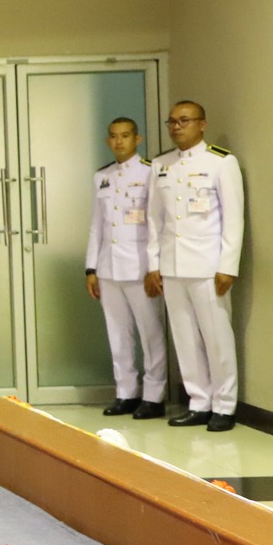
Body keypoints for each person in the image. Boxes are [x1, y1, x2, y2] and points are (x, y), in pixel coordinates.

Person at [145, 100, 244, 432]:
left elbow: (233, 218)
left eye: (184, 121)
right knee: (185, 339)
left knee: (217, 338)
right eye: (171, 122)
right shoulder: (161, 165)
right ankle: (199, 402)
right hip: (173, 266)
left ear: (202, 124)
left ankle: (225, 405)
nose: (176, 127)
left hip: (207, 266)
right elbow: (154, 220)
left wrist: (228, 265)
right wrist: (153, 264)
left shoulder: (220, 162)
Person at [86, 118, 167, 419]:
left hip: (140, 266)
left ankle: (154, 395)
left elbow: (157, 222)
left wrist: (153, 267)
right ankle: (126, 392)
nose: (119, 142)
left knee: (150, 334)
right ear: (108, 141)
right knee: (117, 334)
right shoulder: (102, 177)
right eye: (114, 137)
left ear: (138, 139)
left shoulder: (150, 172)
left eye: (125, 136)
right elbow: (97, 226)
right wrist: (90, 268)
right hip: (109, 267)